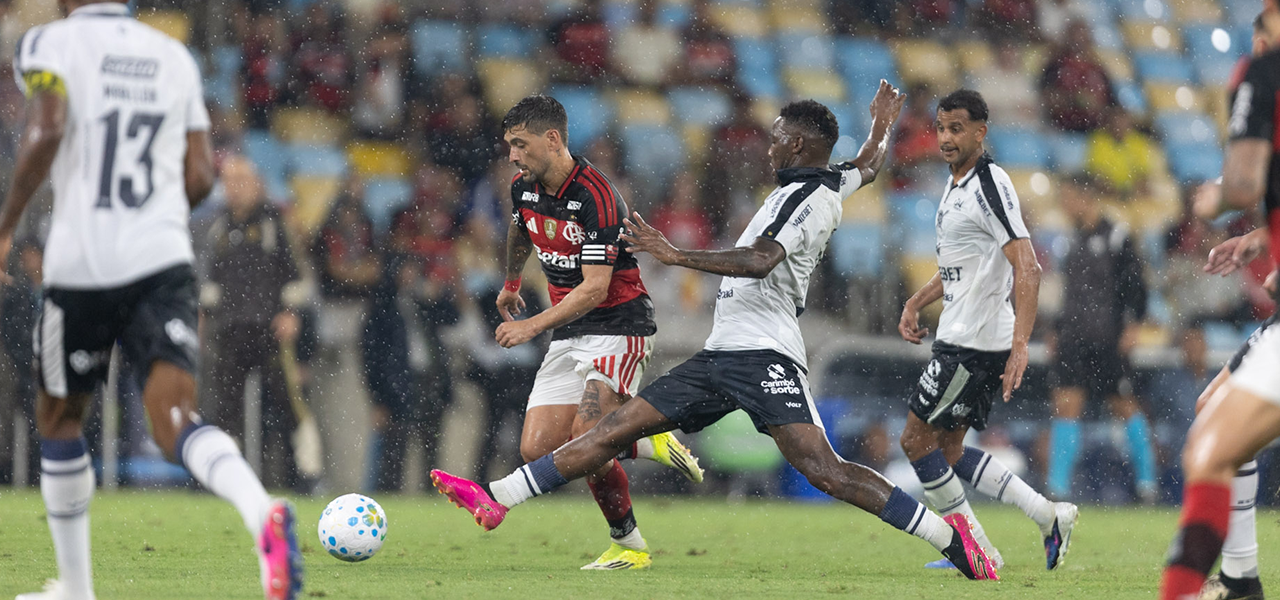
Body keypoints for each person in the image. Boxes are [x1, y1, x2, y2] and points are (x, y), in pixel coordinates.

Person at [433, 83, 1003, 581]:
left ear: (798, 146)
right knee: (610, 430)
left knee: (825, 471)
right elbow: (871, 163)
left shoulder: (803, 199)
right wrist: (881, 124)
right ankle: (496, 497)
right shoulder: (832, 179)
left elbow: (758, 260)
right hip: (721, 353)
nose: (770, 143)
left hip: (764, 356)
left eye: (778, 136)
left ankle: (954, 541)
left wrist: (674, 254)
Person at [0, 2, 302, 600]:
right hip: (161, 260)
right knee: (176, 419)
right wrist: (151, 217)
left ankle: (77, 587)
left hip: (82, 262)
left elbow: (48, 126)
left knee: (61, 417)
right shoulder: (173, 56)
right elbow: (198, 175)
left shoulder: (45, 44)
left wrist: (7, 225)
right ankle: (258, 508)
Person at [459, 94, 704, 571]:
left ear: (553, 140)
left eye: (520, 144)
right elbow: (519, 230)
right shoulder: (523, 188)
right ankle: (637, 449)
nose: (512, 155)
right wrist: (511, 284)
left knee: (587, 435)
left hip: (620, 323)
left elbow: (594, 289)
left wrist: (530, 324)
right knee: (538, 449)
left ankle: (628, 538)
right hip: (570, 328)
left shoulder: (596, 195)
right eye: (509, 145)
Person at [896, 89, 1076, 573]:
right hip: (968, 335)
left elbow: (1028, 266)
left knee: (915, 441)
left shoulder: (989, 183)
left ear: (981, 131)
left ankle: (973, 551)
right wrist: (917, 300)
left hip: (971, 343)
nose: (947, 138)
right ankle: (1048, 515)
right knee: (949, 450)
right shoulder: (955, 186)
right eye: (941, 128)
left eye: (957, 128)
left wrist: (1022, 345)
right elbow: (963, 263)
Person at [1161, 7, 1280, 600]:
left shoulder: (1262, 73)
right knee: (1218, 424)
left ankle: (1236, 581)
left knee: (1210, 445)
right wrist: (1258, 241)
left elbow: (1240, 184)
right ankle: (1240, 578)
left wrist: (1207, 204)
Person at [200, 155, 308, 490]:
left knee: (288, 407)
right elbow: (209, 280)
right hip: (229, 331)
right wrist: (204, 317)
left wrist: (291, 312)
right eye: (229, 180)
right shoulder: (218, 227)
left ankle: (300, 478)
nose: (235, 187)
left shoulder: (276, 222)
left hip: (271, 330)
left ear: (258, 183)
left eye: (242, 179)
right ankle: (224, 481)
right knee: (224, 410)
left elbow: (298, 274)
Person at [1046, 174, 1155, 503]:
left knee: (1124, 406)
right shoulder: (1070, 240)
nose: (1064, 205)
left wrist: (1133, 325)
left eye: (1068, 197)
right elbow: (1068, 294)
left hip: (1107, 338)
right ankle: (1058, 489)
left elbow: (1137, 284)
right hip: (1074, 339)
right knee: (1066, 405)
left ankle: (1148, 484)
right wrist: (1055, 329)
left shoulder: (1116, 235)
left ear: (1084, 196)